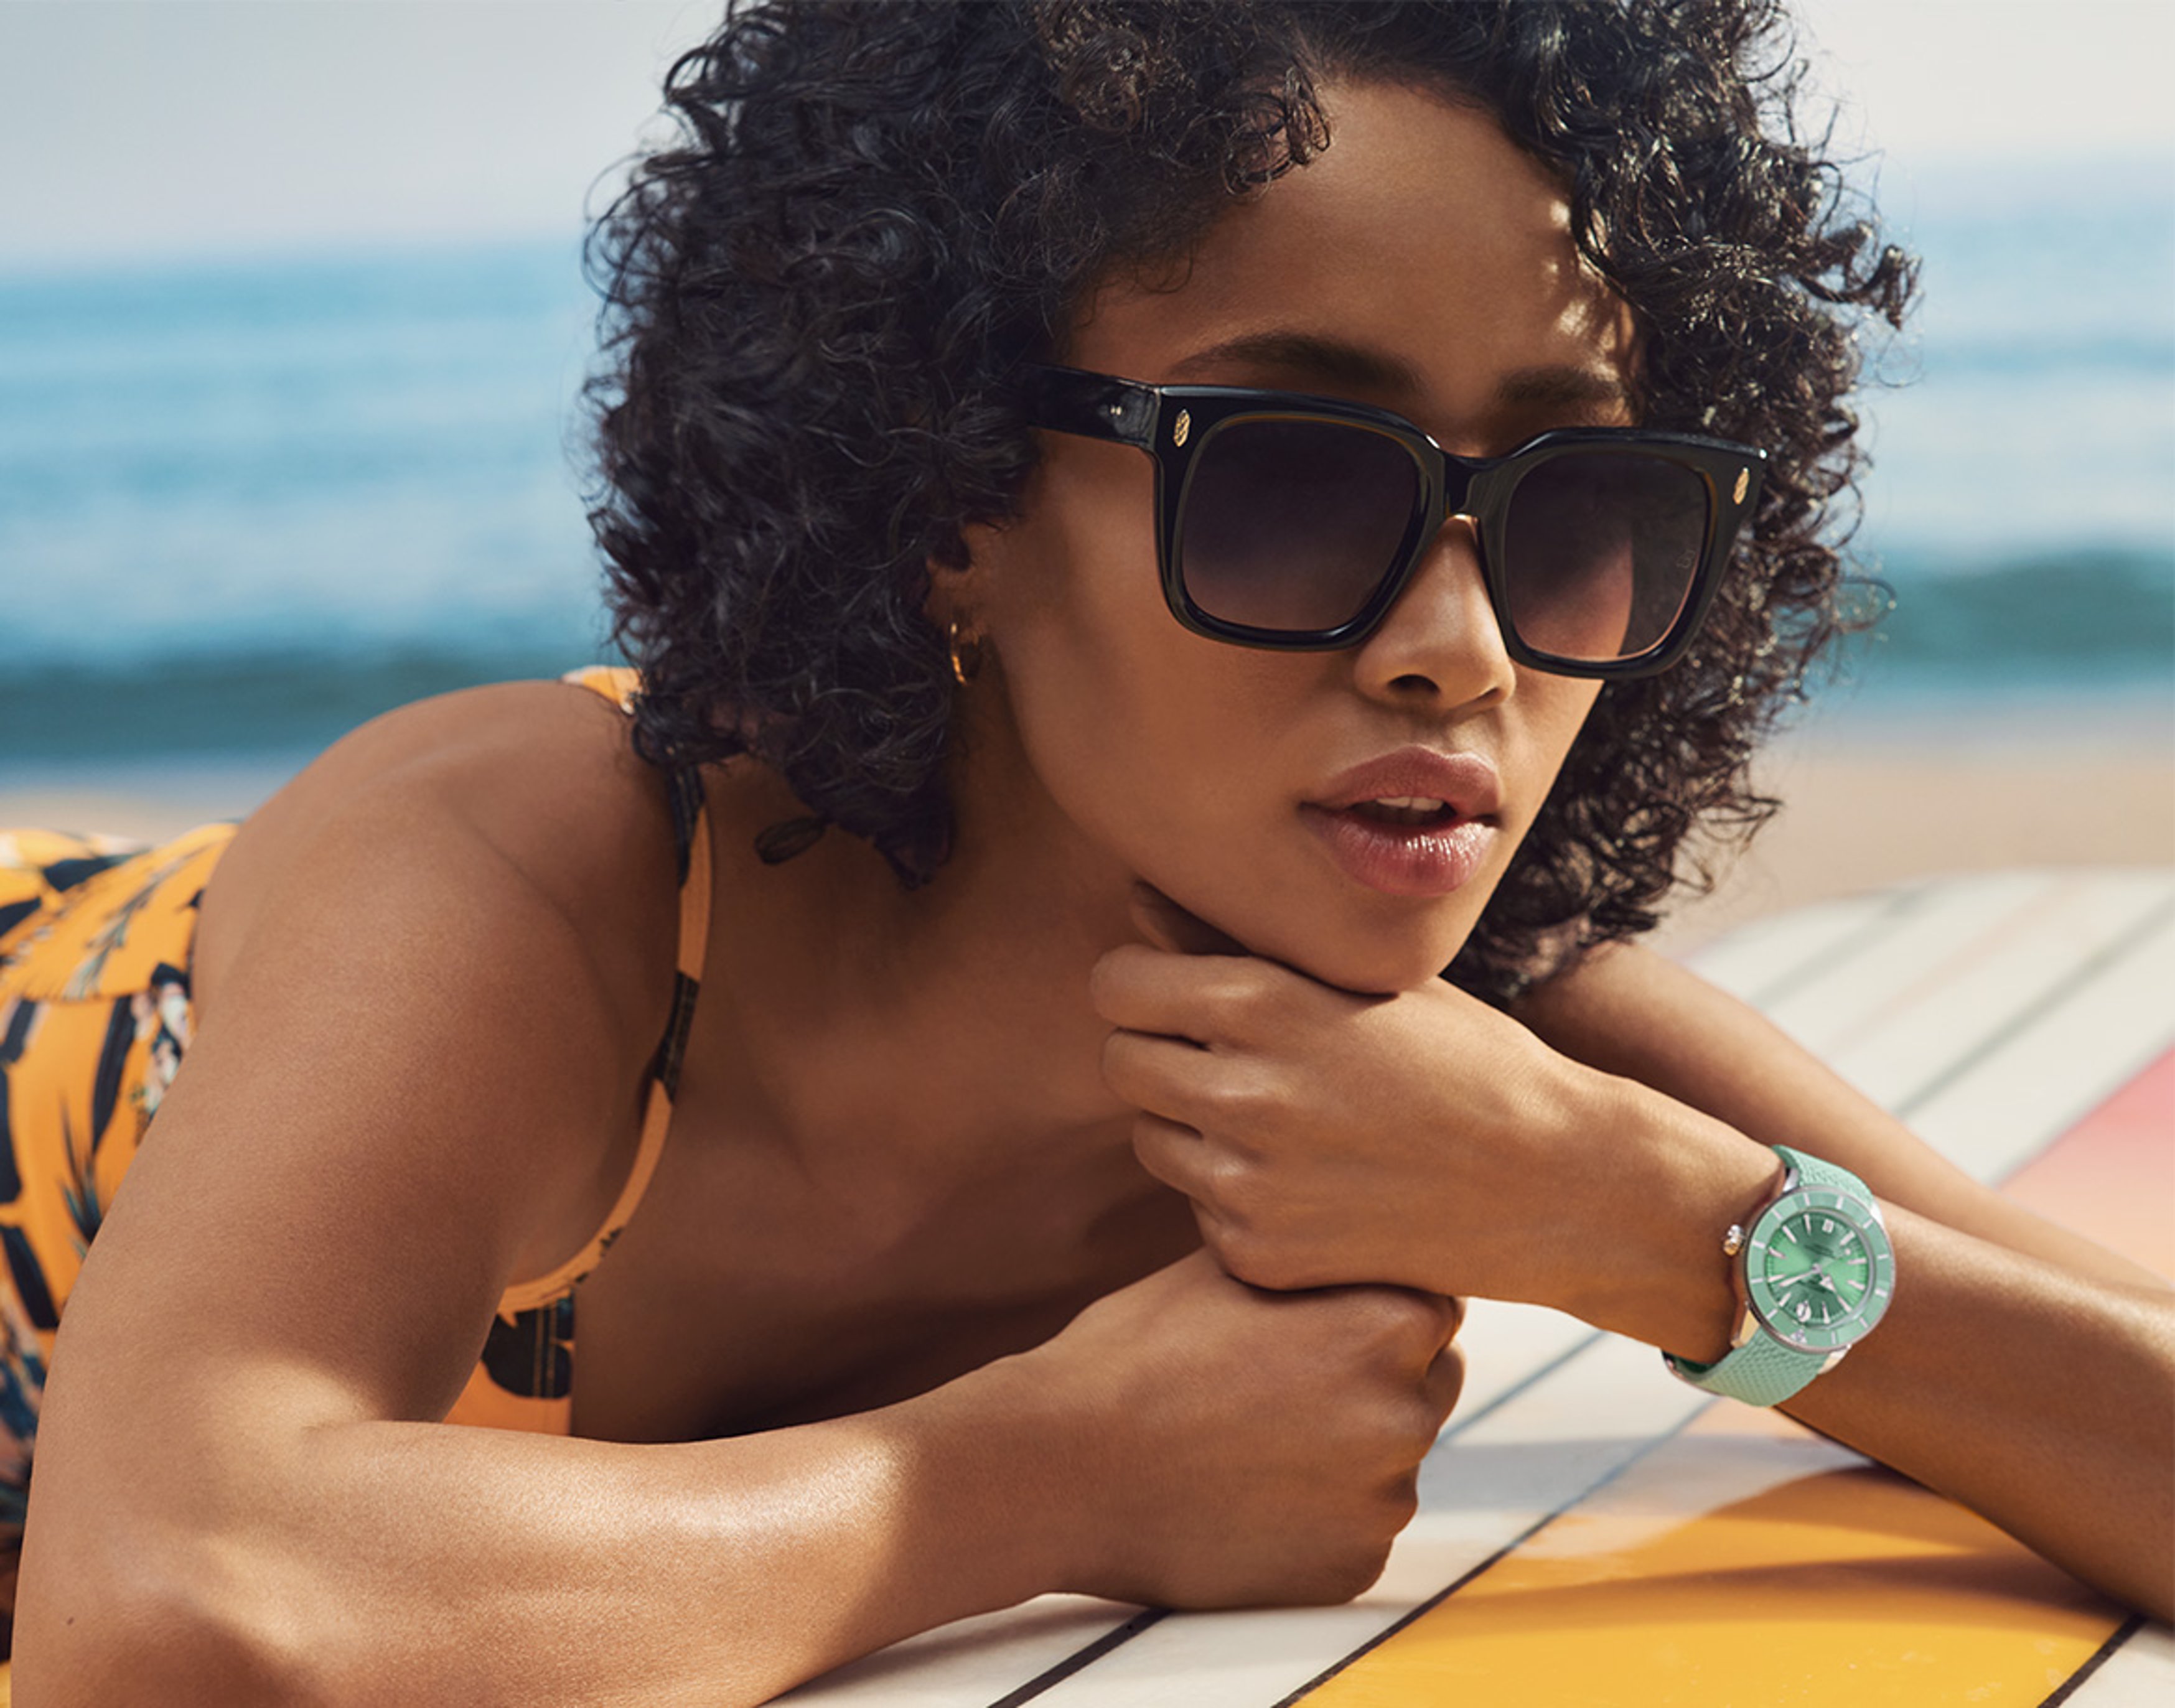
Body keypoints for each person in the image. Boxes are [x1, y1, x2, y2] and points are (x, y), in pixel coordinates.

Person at [4, 0, 2169, 1699]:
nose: (1459, 646)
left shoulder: (1473, 1055)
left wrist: (1659, 1223)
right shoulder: (533, 867)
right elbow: (170, 1611)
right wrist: (1041, 1474)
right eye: (1296, 480)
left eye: (1578, 516)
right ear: (949, 500)